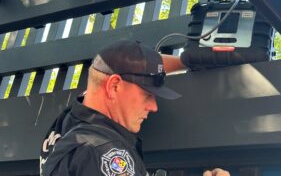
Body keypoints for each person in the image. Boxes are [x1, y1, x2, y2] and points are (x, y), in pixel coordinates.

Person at [40, 40, 229, 176]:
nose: (154, 106)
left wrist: (185, 61)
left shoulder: (70, 119)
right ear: (114, 86)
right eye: (147, 95)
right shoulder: (103, 152)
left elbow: (105, 67)